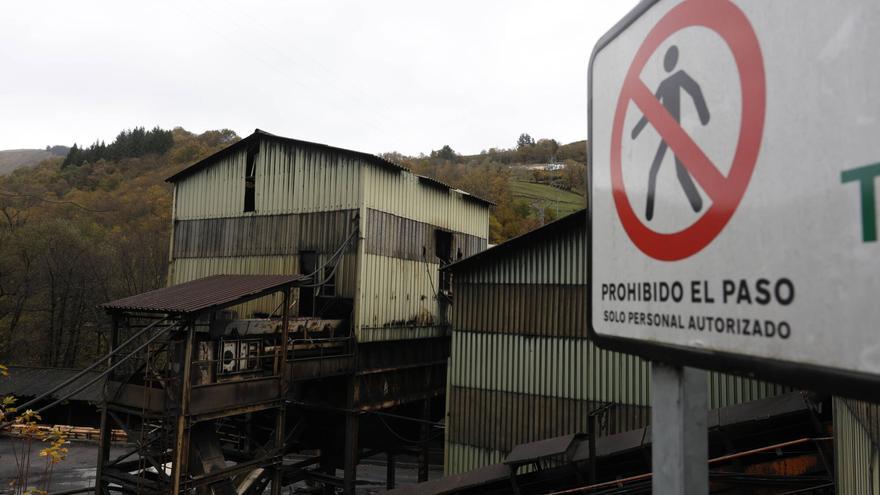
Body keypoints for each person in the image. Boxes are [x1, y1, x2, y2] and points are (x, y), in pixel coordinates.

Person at [631, 45, 710, 221]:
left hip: (675, 133)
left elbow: (695, 89)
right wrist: (637, 129)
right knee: (656, 170)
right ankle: (652, 213)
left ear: (672, 60)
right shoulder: (663, 84)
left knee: (675, 171)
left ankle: (697, 204)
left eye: (668, 60)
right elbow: (650, 109)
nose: (667, 64)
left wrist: (704, 115)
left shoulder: (680, 76)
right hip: (666, 132)